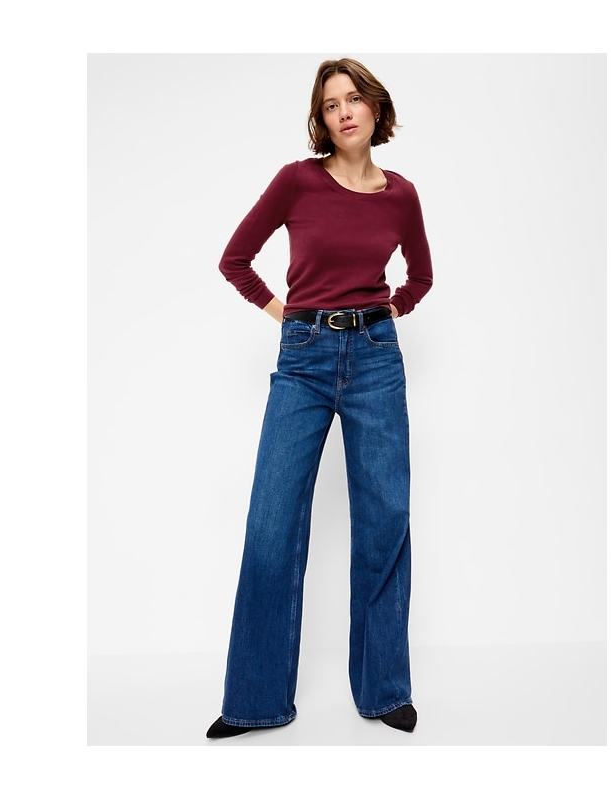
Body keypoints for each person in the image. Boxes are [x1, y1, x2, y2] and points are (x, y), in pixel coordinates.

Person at [207, 57, 433, 738]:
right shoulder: (296, 181)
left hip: (376, 360)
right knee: (272, 523)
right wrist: (287, 316)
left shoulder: (402, 195)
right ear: (322, 120)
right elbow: (235, 259)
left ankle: (384, 691)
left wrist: (392, 309)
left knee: (385, 520)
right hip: (302, 358)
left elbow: (420, 277)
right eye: (331, 104)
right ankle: (255, 701)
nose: (344, 112)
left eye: (353, 98)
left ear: (375, 107)